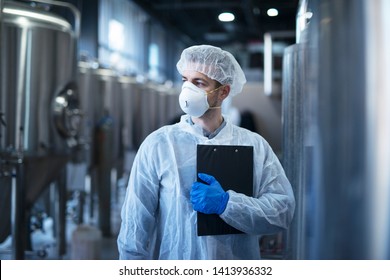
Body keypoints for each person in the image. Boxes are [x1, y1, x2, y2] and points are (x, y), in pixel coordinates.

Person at [117, 45, 295, 260]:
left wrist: (227, 204)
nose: (188, 90)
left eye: (199, 82)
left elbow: (282, 211)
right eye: (185, 80)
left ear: (223, 92)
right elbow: (136, 221)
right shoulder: (159, 145)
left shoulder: (254, 145)